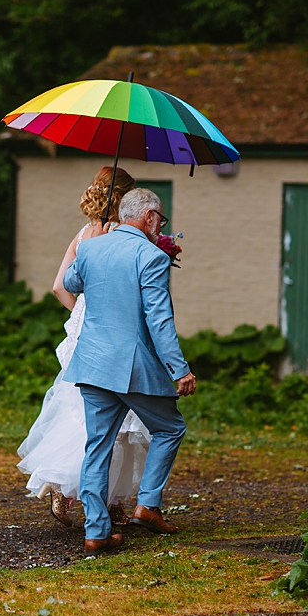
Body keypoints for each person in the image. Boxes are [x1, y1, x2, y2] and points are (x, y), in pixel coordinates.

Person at [62, 187, 197, 557]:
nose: (160, 226)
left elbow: (71, 284)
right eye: (160, 219)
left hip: (92, 365)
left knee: (97, 447)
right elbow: (159, 318)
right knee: (170, 427)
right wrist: (179, 369)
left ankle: (96, 533)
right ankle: (147, 506)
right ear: (150, 217)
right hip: (132, 366)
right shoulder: (150, 256)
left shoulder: (91, 247)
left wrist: (91, 250)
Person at [16, 166, 151, 529]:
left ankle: (99, 496)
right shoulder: (122, 237)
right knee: (116, 416)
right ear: (123, 199)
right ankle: (98, 497)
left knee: (80, 410)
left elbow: (60, 287)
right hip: (114, 332)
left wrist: (83, 315)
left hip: (84, 331)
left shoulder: (83, 234)